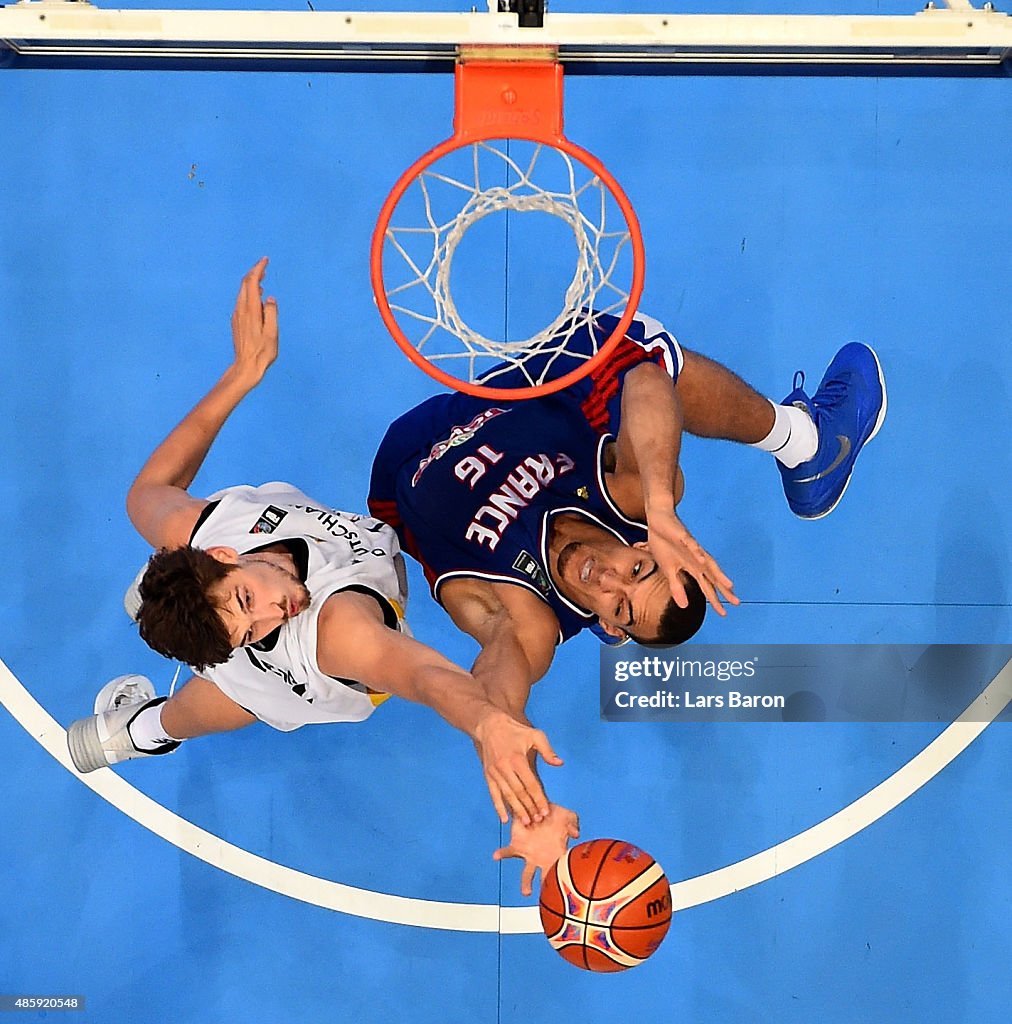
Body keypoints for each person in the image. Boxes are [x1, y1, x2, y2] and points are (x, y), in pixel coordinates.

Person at [368, 309, 887, 892]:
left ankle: (806, 443)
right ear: (641, 543)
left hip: (407, 462)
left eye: (620, 607)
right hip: (519, 401)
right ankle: (804, 444)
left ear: (611, 629)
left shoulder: (528, 618)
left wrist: (517, 775)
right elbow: (645, 379)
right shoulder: (632, 500)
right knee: (640, 350)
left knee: (636, 368)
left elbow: (501, 687)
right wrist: (662, 504)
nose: (608, 579)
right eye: (638, 569)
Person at [66, 258, 561, 833]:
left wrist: (241, 374)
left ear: (224, 555)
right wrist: (485, 723)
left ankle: (143, 687)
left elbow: (148, 491)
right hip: (304, 675)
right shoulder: (332, 630)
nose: (276, 613)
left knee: (209, 662)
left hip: (240, 617)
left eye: (249, 601)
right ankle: (136, 733)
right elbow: (423, 676)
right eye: (249, 628)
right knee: (210, 707)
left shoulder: (207, 527)